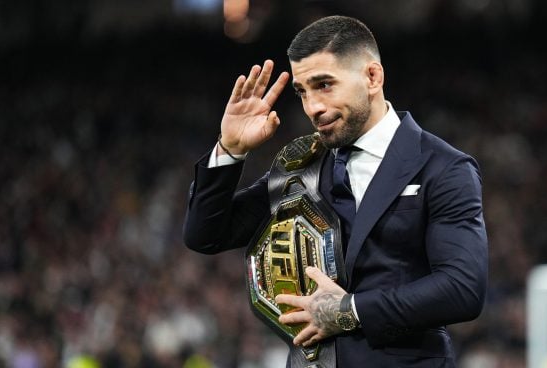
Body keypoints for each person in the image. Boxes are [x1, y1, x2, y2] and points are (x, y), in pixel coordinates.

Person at [183, 15, 488, 368]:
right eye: (302, 92)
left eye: (324, 85)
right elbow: (205, 235)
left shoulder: (442, 167)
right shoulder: (300, 169)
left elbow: (462, 288)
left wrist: (350, 311)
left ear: (372, 77)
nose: (313, 107)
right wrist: (230, 149)